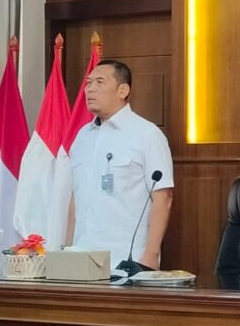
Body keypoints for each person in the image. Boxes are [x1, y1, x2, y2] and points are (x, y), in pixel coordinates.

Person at [67, 60, 174, 270]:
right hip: (80, 258)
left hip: (126, 260)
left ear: (123, 90)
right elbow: (75, 197)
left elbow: (164, 197)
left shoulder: (147, 134)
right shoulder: (82, 137)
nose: (90, 89)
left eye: (100, 82)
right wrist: (68, 248)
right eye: (88, 83)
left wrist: (150, 256)